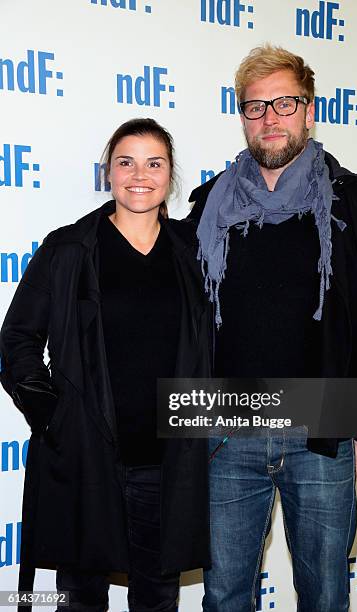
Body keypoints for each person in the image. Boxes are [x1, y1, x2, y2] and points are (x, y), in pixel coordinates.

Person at [188, 45, 357, 611]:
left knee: (325, 594)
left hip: (324, 433)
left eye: (284, 103)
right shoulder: (210, 205)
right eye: (255, 107)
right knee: (225, 595)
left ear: (309, 110)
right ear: (242, 116)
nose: (270, 118)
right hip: (227, 429)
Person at [0, 118, 211, 612]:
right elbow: (18, 338)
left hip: (168, 461)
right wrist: (53, 414)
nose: (140, 174)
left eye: (154, 163)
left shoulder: (194, 251)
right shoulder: (68, 247)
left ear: (170, 174)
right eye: (126, 162)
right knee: (80, 596)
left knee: (158, 597)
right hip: (87, 457)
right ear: (108, 173)